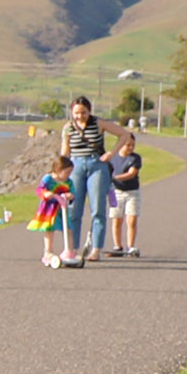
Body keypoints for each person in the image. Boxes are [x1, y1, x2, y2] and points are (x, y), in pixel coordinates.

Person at [56, 96, 113, 266]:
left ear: (89, 111)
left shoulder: (99, 123)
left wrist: (112, 153)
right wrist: (59, 173)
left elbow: (124, 134)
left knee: (98, 209)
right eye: (76, 113)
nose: (80, 116)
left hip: (97, 165)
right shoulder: (68, 128)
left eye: (83, 112)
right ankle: (72, 248)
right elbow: (65, 151)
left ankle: (96, 248)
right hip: (76, 166)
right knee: (74, 210)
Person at [109, 126, 146, 256]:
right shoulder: (112, 157)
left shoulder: (135, 158)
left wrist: (115, 177)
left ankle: (131, 246)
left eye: (132, 145)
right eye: (127, 145)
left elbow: (131, 174)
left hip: (132, 192)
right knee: (116, 219)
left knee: (132, 219)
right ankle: (117, 246)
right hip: (114, 192)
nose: (130, 148)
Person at [34, 160, 70, 269]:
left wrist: (70, 195)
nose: (68, 175)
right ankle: (48, 252)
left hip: (62, 208)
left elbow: (72, 190)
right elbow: (40, 189)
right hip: (49, 209)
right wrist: (46, 193)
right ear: (58, 170)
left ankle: (69, 250)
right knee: (49, 230)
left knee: (68, 228)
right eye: (67, 172)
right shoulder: (48, 179)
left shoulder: (68, 181)